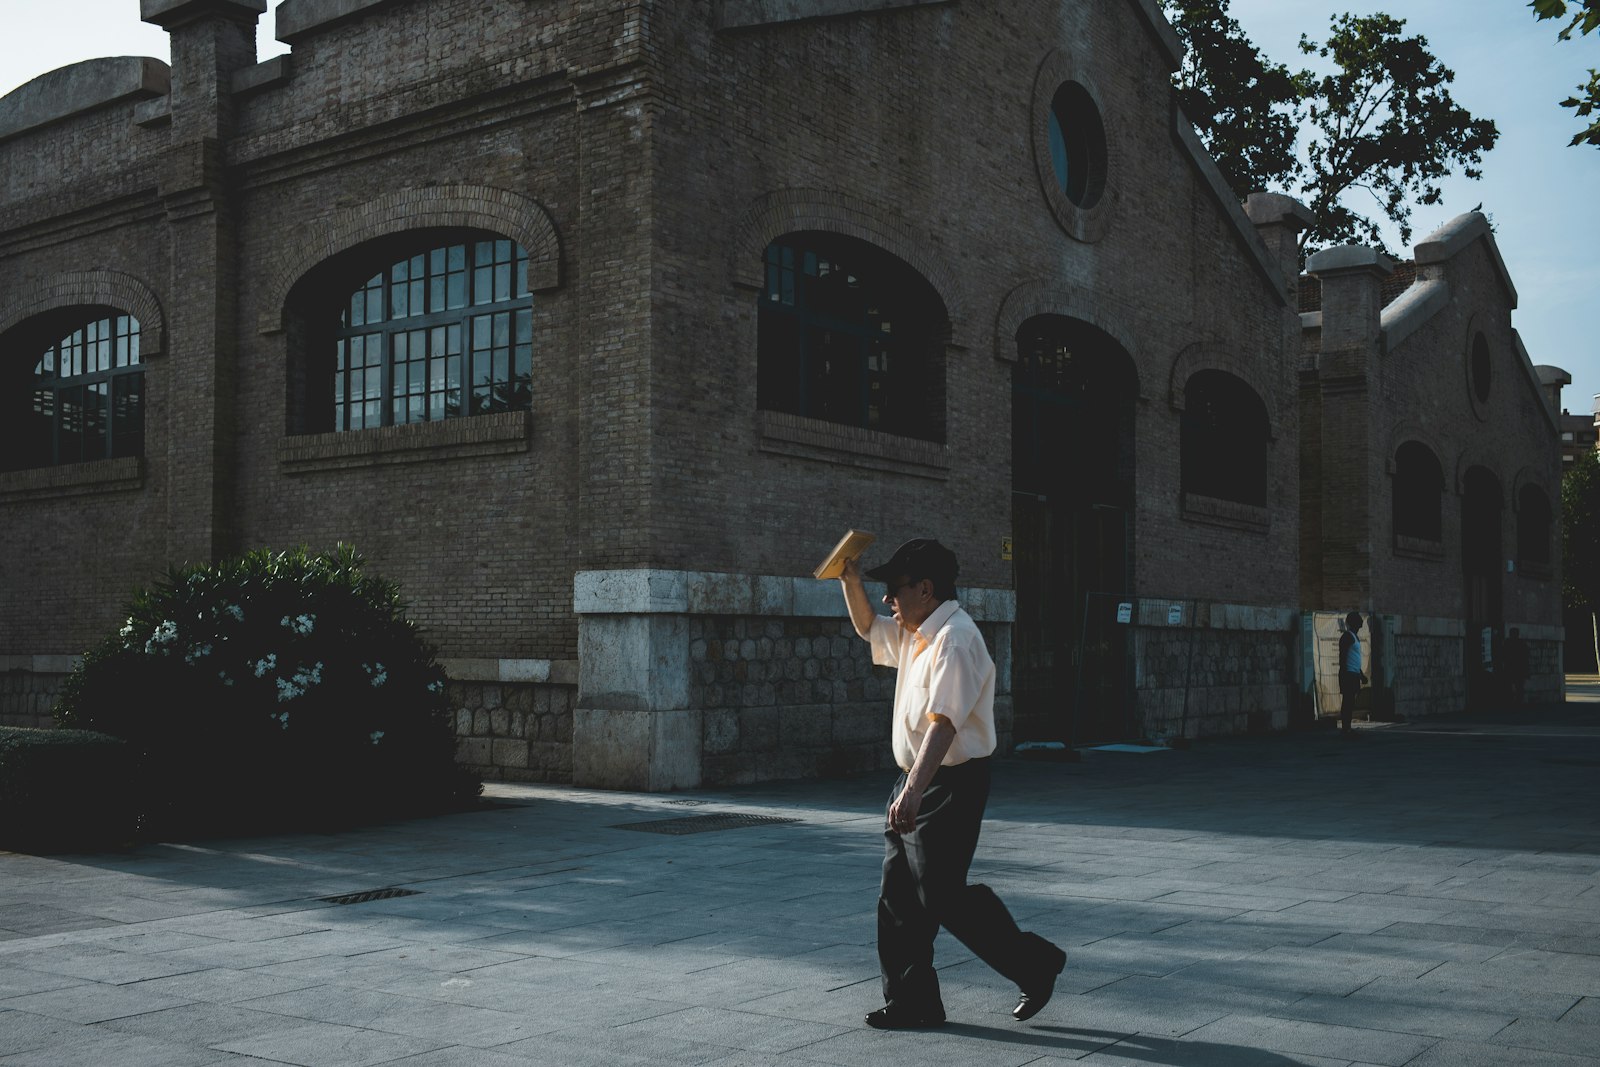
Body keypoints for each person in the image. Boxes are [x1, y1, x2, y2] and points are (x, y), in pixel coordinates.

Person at [839, 538, 1066, 1030]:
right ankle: (912, 999)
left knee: (940, 894)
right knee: (898, 895)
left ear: (925, 588)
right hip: (917, 779)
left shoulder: (955, 639)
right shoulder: (917, 633)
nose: (887, 601)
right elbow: (866, 628)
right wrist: (848, 580)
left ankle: (1034, 963)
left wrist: (914, 790)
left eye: (894, 589)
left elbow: (945, 724)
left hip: (950, 782)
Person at [1338, 611, 1366, 736]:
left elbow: (1354, 657)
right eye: (1358, 624)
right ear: (1352, 624)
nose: (1360, 627)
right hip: (1348, 673)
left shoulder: (1354, 636)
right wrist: (1344, 674)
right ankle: (1346, 728)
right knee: (1347, 701)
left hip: (1354, 673)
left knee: (1350, 701)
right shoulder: (1347, 636)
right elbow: (1343, 657)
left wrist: (1361, 674)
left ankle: (1348, 726)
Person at [1502, 627, 1531, 706]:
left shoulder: (1507, 642)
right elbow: (1526, 656)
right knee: (1519, 687)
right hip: (1519, 668)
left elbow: (1503, 655)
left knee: (1510, 686)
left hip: (1511, 668)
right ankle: (1517, 702)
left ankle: (1511, 701)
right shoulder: (1521, 643)